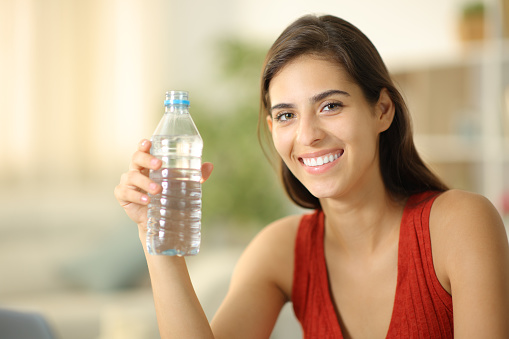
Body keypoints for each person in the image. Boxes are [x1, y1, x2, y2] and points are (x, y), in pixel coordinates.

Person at [114, 14, 509, 338]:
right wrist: (157, 241)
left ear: (383, 110)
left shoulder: (460, 224)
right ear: (273, 129)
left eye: (330, 105)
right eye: (286, 115)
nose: (307, 135)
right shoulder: (281, 250)